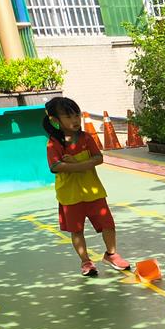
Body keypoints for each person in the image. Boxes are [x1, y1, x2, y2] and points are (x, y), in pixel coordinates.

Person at [43, 96, 130, 276]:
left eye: (77, 115)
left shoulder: (86, 138)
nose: (75, 120)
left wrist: (75, 164)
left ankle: (111, 254)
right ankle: (86, 262)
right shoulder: (54, 143)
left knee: (108, 224)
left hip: (93, 191)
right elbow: (55, 166)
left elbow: (98, 158)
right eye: (68, 117)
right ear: (55, 120)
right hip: (70, 195)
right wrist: (83, 165)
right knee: (76, 230)